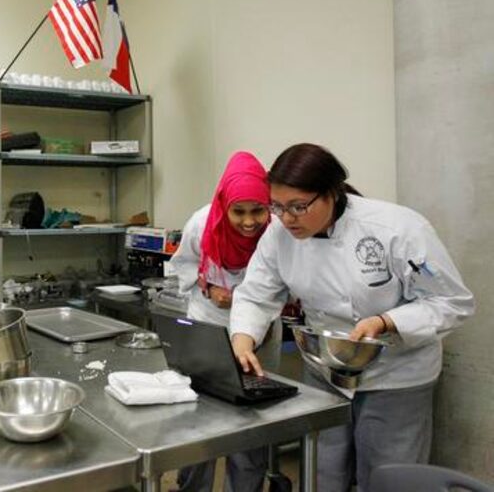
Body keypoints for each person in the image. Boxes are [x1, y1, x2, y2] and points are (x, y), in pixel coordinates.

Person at [230, 143, 475, 492]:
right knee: (323, 473)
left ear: (331, 192)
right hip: (325, 370)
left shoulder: (396, 228)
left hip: (395, 373)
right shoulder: (278, 234)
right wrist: (243, 340)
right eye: (278, 207)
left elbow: (451, 302)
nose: (286, 218)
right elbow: (256, 293)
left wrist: (386, 321)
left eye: (299, 207)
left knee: (388, 477)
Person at [168, 151, 282, 492]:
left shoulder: (277, 231)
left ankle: (245, 487)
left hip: (260, 331)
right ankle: (191, 487)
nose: (249, 222)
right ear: (224, 204)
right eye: (239, 212)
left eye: (258, 211)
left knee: (253, 414)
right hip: (208, 324)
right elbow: (182, 264)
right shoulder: (202, 223)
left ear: (268, 205)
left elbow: (283, 279)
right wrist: (208, 286)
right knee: (199, 416)